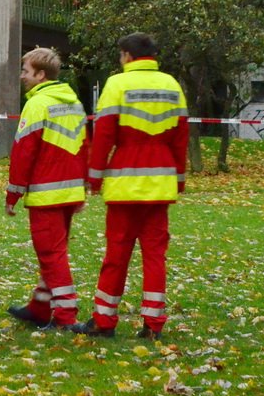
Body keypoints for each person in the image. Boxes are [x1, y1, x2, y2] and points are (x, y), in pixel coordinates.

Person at [72, 33, 187, 340]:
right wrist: (179, 178)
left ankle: (104, 320)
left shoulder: (117, 85)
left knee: (117, 254)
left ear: (126, 55)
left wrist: (94, 176)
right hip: (160, 184)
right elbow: (180, 136)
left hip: (124, 182)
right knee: (154, 256)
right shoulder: (172, 86)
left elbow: (105, 135)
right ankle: (153, 323)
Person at [4, 47, 88, 330]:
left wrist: (13, 194)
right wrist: (83, 188)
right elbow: (83, 146)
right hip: (70, 191)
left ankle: (65, 316)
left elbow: (23, 153)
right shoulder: (73, 102)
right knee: (52, 253)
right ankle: (40, 307)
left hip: (46, 193)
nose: (22, 77)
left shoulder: (37, 105)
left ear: (41, 75)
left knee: (52, 255)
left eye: (26, 71)